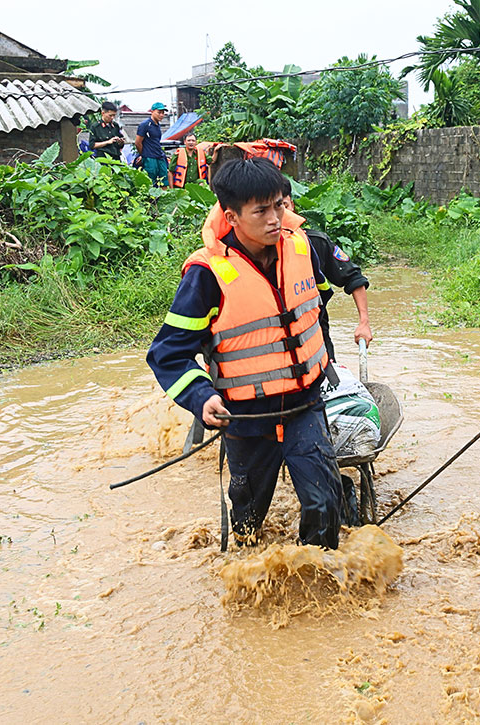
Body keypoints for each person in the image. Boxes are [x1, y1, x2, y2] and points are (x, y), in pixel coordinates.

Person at [147, 157, 342, 548]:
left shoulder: (302, 249)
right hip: (247, 418)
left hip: (304, 404)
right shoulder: (207, 275)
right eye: (261, 211)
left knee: (324, 503)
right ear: (231, 217)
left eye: (279, 206)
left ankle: (319, 574)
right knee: (248, 518)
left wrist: (325, 360)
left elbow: (314, 309)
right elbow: (168, 353)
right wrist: (201, 397)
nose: (275, 219)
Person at [284, 194, 373, 361]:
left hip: (318, 342)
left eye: (284, 206)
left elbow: (353, 278)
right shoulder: (249, 253)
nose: (280, 215)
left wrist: (364, 322)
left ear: (292, 206)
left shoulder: (316, 243)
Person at [136, 102, 169, 187]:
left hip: (159, 155)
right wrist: (143, 155)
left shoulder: (158, 125)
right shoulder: (145, 125)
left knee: (164, 180)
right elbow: (138, 142)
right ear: (152, 111)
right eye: (159, 112)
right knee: (150, 182)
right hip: (149, 157)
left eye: (163, 113)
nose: (161, 115)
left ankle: (164, 195)